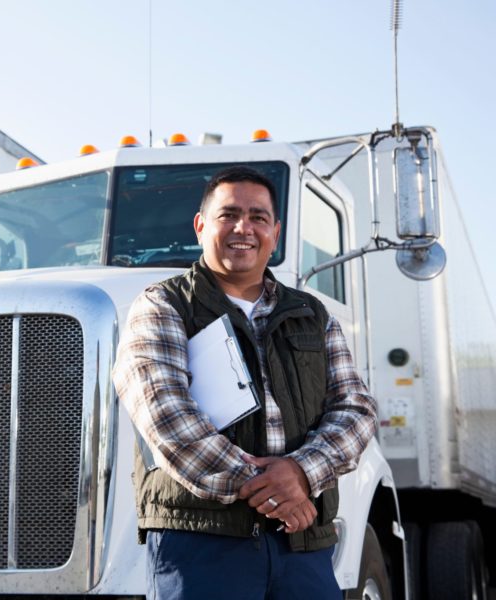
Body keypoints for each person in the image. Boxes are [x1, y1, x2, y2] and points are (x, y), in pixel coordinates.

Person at [112, 165, 378, 599]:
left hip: (302, 543)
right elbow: (164, 413)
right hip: (202, 543)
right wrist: (277, 493)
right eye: (228, 214)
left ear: (275, 232)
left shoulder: (314, 315)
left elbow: (356, 410)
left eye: (257, 217)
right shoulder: (162, 304)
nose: (243, 228)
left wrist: (299, 474)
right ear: (201, 226)